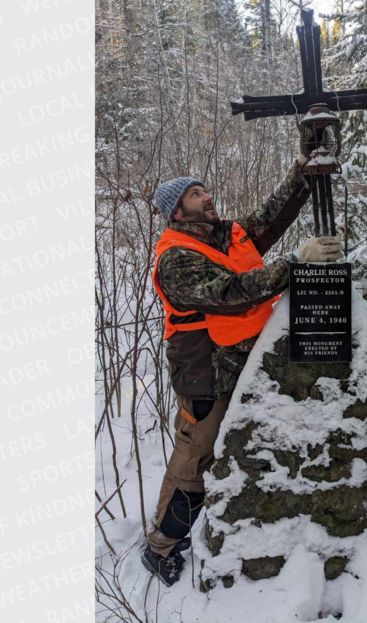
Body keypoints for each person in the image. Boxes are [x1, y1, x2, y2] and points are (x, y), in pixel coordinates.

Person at [142, 153, 343, 586]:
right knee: (196, 454)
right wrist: (294, 264)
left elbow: (271, 218)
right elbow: (229, 292)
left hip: (245, 355)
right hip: (204, 369)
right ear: (178, 212)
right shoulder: (175, 257)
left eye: (205, 190)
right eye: (196, 195)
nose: (207, 197)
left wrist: (302, 173)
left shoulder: (225, 234)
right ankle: (161, 546)